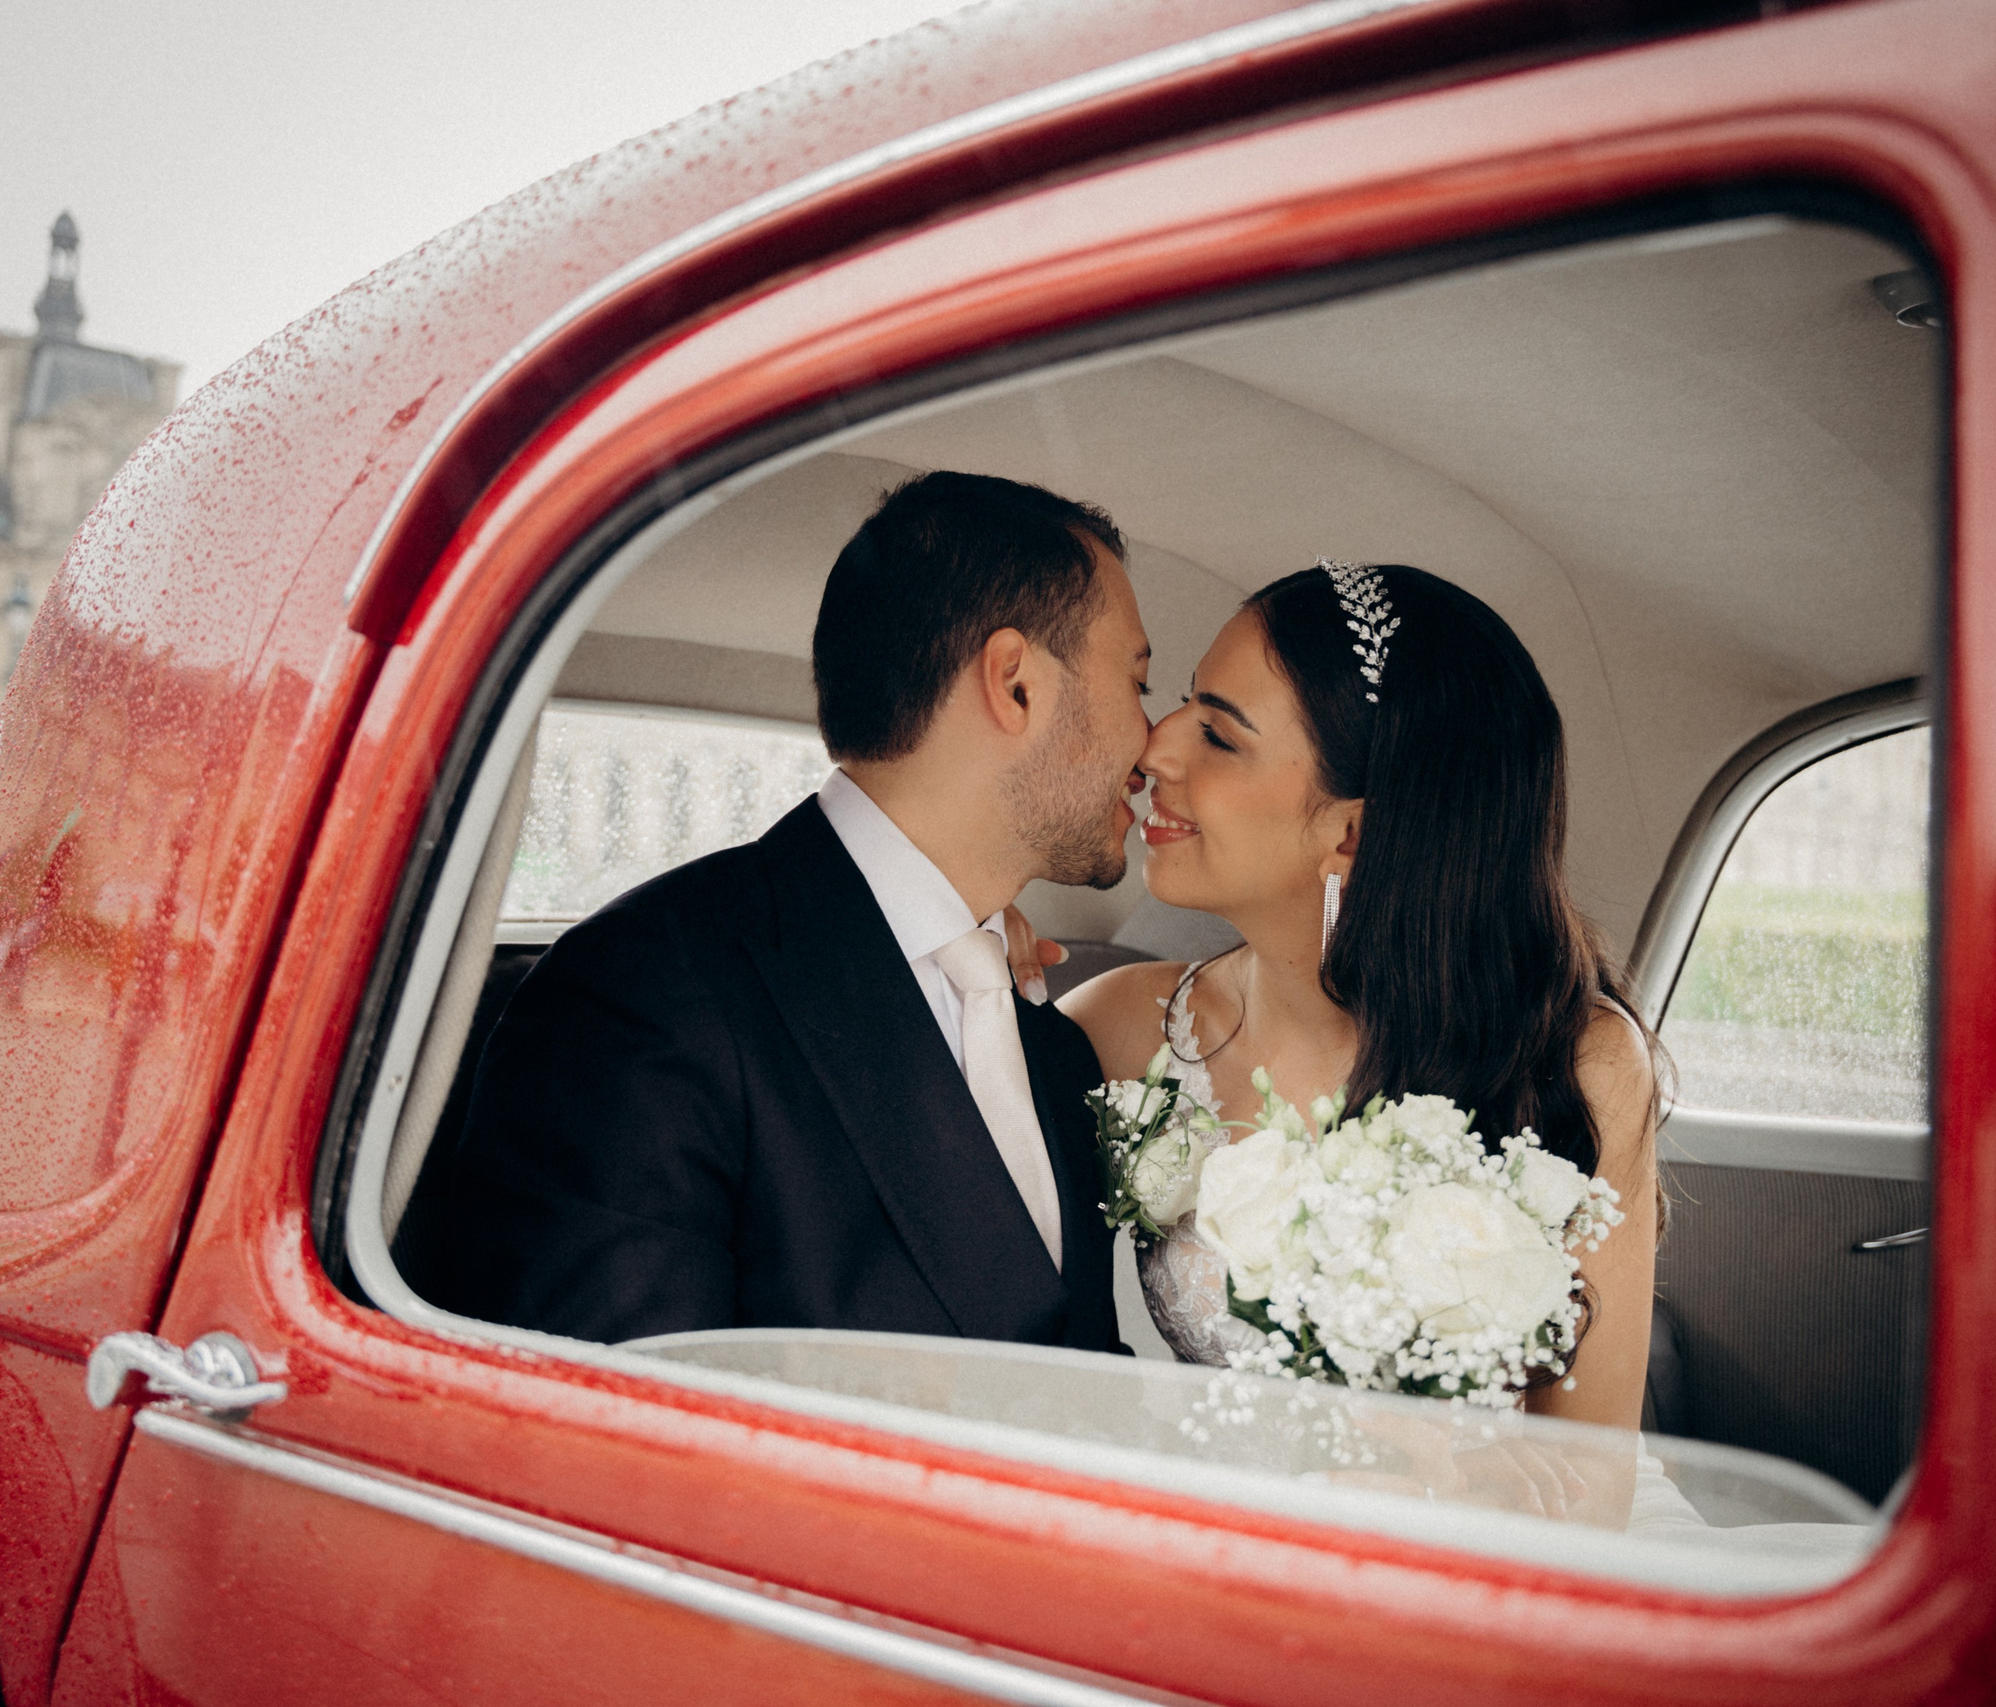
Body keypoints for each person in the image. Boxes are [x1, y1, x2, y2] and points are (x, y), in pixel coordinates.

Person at [396, 472, 1152, 1351]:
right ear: (1014, 684)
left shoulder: (1052, 1049)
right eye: (1137, 682)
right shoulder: (644, 998)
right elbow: (611, 1413)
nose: (1153, 744)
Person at [1055, 562, 1660, 1430]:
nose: (1156, 750)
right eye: (1184, 702)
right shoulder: (1119, 1028)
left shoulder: (1580, 1063)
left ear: (1350, 833)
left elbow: (1591, 1474)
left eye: (1218, 735)